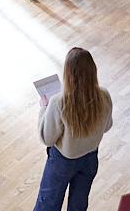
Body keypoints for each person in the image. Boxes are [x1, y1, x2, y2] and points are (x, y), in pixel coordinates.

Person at [31, 47, 113, 211]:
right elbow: (107, 126)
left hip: (63, 161)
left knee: (48, 203)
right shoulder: (104, 95)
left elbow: (47, 138)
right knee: (79, 204)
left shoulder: (58, 102)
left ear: (68, 74)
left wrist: (44, 109)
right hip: (90, 158)